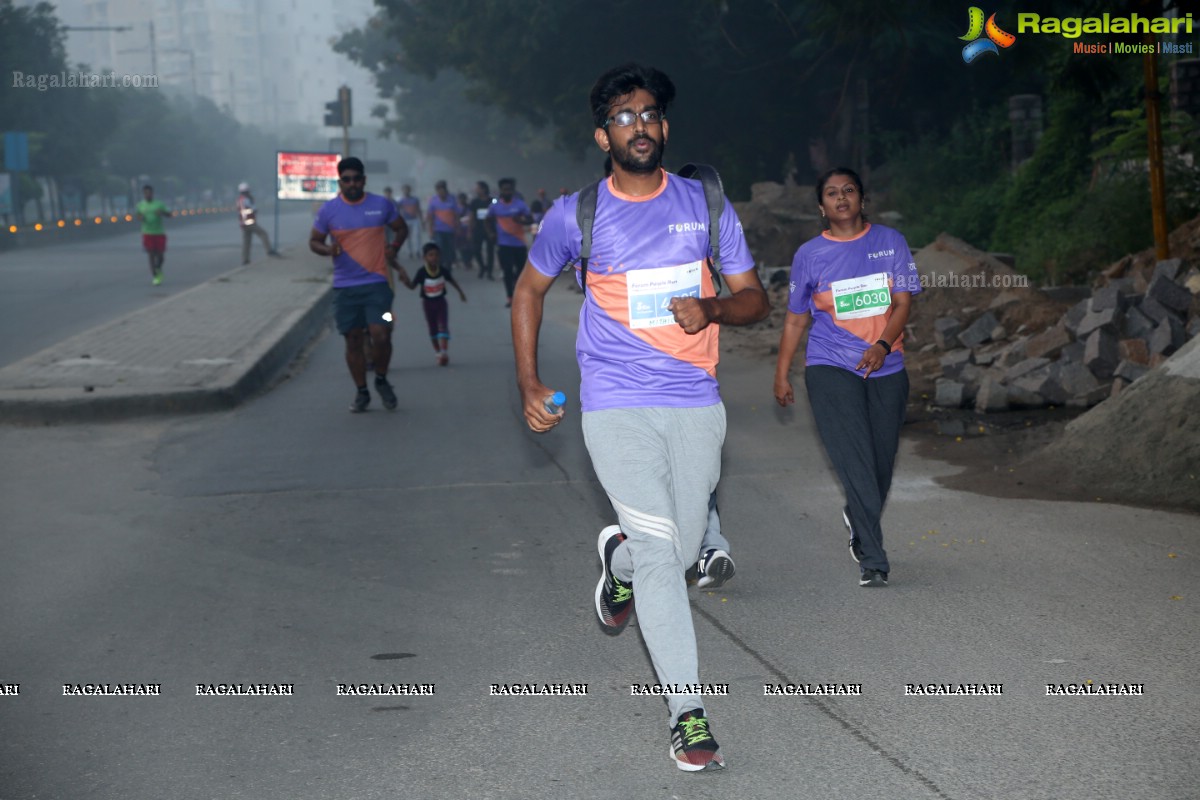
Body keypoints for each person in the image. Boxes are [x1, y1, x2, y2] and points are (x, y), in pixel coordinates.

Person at [511, 63, 769, 772]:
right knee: (666, 556)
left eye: (650, 114)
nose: (641, 126)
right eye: (624, 117)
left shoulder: (705, 205)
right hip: (615, 402)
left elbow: (756, 301)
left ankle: (617, 562)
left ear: (666, 126)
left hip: (693, 400)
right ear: (603, 135)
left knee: (680, 554)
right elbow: (528, 290)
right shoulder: (577, 215)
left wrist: (713, 307)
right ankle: (689, 714)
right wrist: (530, 381)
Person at [772, 167, 921, 588]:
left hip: (887, 366)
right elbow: (796, 319)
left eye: (849, 190)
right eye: (832, 193)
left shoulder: (889, 242)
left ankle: (858, 515)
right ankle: (873, 559)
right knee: (855, 459)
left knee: (881, 465)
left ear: (861, 199)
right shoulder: (809, 255)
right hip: (830, 366)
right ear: (821, 207)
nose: (841, 198)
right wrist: (782, 373)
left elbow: (903, 304)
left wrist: (883, 346)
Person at [309, 157, 411, 413]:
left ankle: (381, 379)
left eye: (356, 179)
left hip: (378, 284)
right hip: (345, 288)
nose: (352, 183)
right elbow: (314, 241)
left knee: (382, 332)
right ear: (340, 182)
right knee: (353, 340)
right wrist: (327, 249)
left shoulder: (381, 205)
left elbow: (401, 229)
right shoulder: (328, 211)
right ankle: (362, 391)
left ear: (364, 180)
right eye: (347, 179)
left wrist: (394, 248)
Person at [401, 242, 467, 366]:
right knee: (433, 329)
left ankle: (443, 352)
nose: (434, 258)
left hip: (441, 303)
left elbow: (452, 281)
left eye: (436, 255)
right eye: (430, 255)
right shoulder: (421, 272)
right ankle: (437, 351)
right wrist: (405, 280)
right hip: (428, 304)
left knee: (443, 326)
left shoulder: (442, 270)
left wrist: (461, 293)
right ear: (425, 257)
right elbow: (412, 286)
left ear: (439, 256)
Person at [486, 177, 532, 308]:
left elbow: (530, 219)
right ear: (501, 190)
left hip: (519, 243)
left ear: (513, 191)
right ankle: (510, 296)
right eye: (505, 189)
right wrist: (491, 233)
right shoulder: (495, 207)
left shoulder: (520, 205)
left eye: (509, 190)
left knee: (520, 271)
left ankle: (518, 294)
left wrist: (521, 221)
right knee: (507, 270)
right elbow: (487, 220)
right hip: (503, 244)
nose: (507, 192)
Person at [135, 185, 171, 285]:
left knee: (161, 256)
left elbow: (170, 214)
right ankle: (155, 275)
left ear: (152, 193)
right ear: (143, 194)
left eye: (149, 193)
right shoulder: (140, 205)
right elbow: (138, 215)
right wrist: (140, 217)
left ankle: (158, 268)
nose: (147, 195)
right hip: (147, 233)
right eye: (145, 193)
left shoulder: (159, 204)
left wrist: (162, 213)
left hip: (159, 233)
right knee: (150, 254)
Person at [236, 182, 279, 265]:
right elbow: (254, 209)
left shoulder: (239, 199)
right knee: (263, 234)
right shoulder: (246, 199)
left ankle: (245, 259)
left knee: (246, 242)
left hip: (243, 224)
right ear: (247, 191)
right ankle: (269, 250)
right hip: (250, 222)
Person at [426, 180, 460, 267]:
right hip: (438, 230)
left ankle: (449, 265)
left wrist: (457, 227)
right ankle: (440, 265)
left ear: (445, 190)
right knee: (439, 248)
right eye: (438, 190)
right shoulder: (433, 201)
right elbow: (430, 217)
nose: (440, 192)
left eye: (442, 190)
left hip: (450, 229)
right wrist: (430, 230)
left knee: (450, 249)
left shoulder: (452, 199)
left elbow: (456, 215)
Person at [468, 181, 495, 280]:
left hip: (490, 229)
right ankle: (482, 267)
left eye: (477, 188)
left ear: (483, 189)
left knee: (490, 251)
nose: (476, 190)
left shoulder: (492, 201)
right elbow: (471, 216)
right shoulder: (474, 202)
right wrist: (470, 230)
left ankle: (489, 272)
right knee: (476, 250)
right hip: (478, 228)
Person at [396, 184, 423, 258]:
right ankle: (410, 252)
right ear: (402, 191)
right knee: (408, 237)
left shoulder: (415, 199)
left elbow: (419, 210)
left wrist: (422, 220)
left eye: (407, 190)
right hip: (406, 220)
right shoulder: (401, 201)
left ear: (410, 190)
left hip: (415, 220)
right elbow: (398, 211)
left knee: (417, 236)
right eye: (404, 190)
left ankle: (417, 251)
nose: (406, 191)